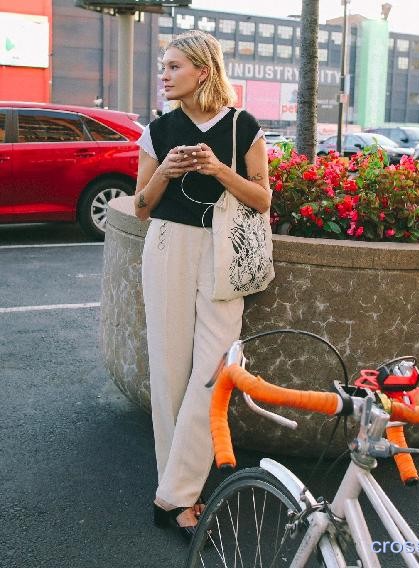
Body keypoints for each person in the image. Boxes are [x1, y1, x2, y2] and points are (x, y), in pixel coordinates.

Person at [133, 30, 270, 539]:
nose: (163, 75)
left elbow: (262, 200)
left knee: (215, 369)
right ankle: (180, 497)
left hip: (223, 251)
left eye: (172, 67)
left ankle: (170, 494)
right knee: (169, 370)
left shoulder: (243, 127)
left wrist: (218, 168)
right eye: (163, 66)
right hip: (169, 245)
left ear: (203, 71)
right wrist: (164, 174)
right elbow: (142, 209)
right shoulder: (157, 131)